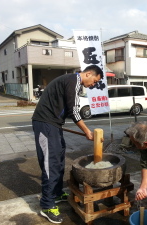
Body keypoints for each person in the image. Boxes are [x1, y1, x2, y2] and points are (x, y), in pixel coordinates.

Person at [32, 65, 103, 223]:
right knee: (51, 163)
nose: (93, 84)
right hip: (45, 123)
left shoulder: (70, 81)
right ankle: (47, 205)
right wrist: (87, 131)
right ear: (89, 73)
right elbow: (74, 111)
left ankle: (56, 193)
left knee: (58, 158)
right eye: (94, 81)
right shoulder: (74, 81)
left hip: (53, 124)